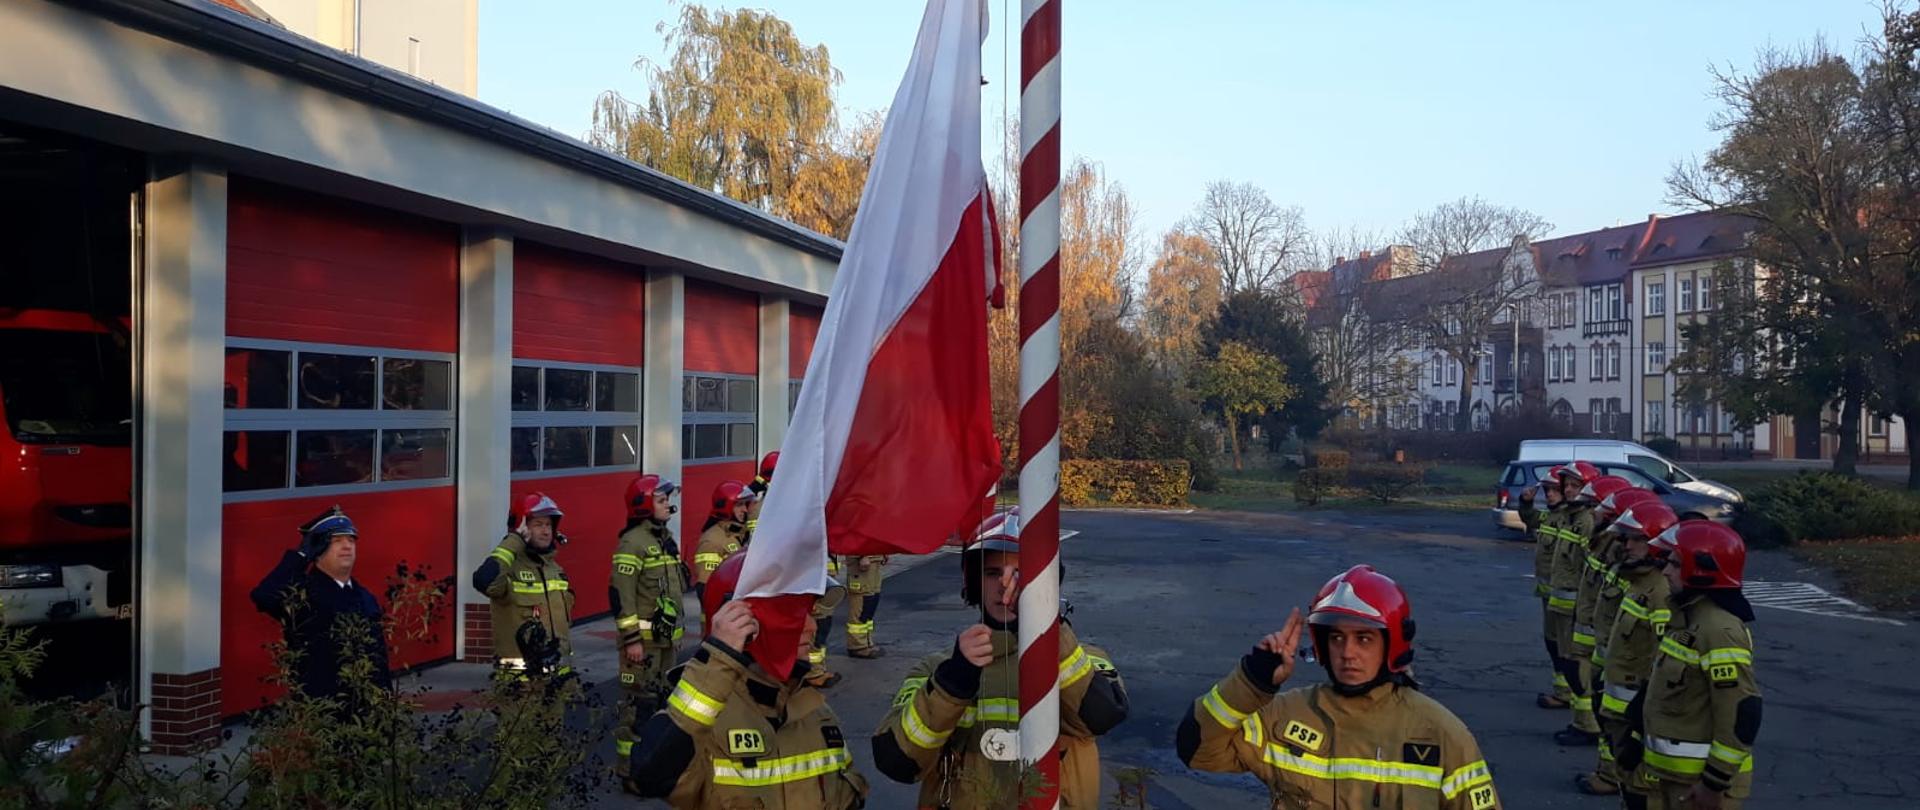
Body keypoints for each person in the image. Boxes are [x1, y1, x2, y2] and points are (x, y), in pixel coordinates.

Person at [1177, 565, 1500, 808]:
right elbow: (1197, 751)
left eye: (1363, 638)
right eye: (1336, 638)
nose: (1347, 653)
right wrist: (1252, 681)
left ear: (1391, 644)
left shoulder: (1440, 734)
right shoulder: (1284, 717)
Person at [871, 508, 1129, 809]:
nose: (1007, 585)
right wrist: (953, 683)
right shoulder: (936, 670)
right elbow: (897, 763)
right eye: (993, 573)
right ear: (973, 582)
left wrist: (1045, 628)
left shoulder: (1083, 658)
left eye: (1023, 573)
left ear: (1047, 580)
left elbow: (1103, 717)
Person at [626, 553, 869, 809]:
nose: (811, 627)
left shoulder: (817, 713)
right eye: (792, 614)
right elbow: (649, 778)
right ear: (741, 621)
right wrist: (719, 657)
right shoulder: (704, 719)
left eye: (810, 613)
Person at [1616, 521, 1760, 810]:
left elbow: (1740, 715)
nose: (1666, 571)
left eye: (1676, 563)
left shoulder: (1719, 631)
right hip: (1669, 778)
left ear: (1702, 570)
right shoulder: (1685, 619)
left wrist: (1714, 783)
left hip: (1698, 787)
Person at [1578, 499, 1676, 797]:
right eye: (1626, 537)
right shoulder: (1636, 583)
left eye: (1637, 539)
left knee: (1638, 784)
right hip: (1617, 695)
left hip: (1635, 705)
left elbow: (1663, 660)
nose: (1627, 545)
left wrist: (1641, 713)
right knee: (1625, 774)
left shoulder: (1659, 592)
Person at [250, 506, 391, 703]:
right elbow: (264, 596)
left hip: (366, 707)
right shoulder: (304, 594)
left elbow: (379, 658)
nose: (347, 546)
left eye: (351, 540)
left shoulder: (365, 597)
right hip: (323, 709)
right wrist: (300, 556)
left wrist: (385, 700)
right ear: (317, 550)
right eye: (336, 541)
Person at [611, 474, 686, 789]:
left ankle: (654, 768)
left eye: (667, 499)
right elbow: (621, 595)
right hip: (642, 646)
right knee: (638, 708)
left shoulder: (664, 539)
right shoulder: (633, 543)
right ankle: (630, 772)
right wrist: (632, 641)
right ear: (643, 505)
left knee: (662, 705)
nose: (668, 504)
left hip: (666, 643)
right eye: (661, 499)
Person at [471, 492, 575, 675]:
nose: (546, 531)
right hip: (521, 687)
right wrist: (514, 540)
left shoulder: (555, 569)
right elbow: (483, 581)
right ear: (522, 528)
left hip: (559, 683)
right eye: (538, 524)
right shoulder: (509, 569)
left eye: (549, 525)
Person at [1548, 461, 1603, 745]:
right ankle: (1580, 720)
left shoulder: (1586, 521)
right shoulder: (1568, 517)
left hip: (1577, 611)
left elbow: (1588, 572)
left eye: (1574, 486)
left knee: (1579, 667)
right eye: (1565, 485)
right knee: (1568, 663)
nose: (1568, 490)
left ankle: (1588, 725)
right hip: (1562, 606)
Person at [1516, 471, 1572, 709]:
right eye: (1547, 490)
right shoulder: (1552, 517)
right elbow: (1530, 518)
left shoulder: (1571, 520)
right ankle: (1562, 691)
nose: (1549, 495)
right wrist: (1526, 502)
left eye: (1555, 490)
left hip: (1567, 598)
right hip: (1550, 595)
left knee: (1566, 647)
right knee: (1553, 643)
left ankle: (1568, 693)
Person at [693, 480, 755, 596]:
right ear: (726, 506)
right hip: (723, 610)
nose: (744, 510)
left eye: (745, 504)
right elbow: (705, 588)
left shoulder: (742, 534)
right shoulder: (712, 541)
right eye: (739, 505)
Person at [841, 552, 887, 659]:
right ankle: (857, 646)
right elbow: (857, 536)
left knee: (870, 603)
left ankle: (866, 642)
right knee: (861, 604)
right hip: (861, 559)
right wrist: (862, 555)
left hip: (873, 558)